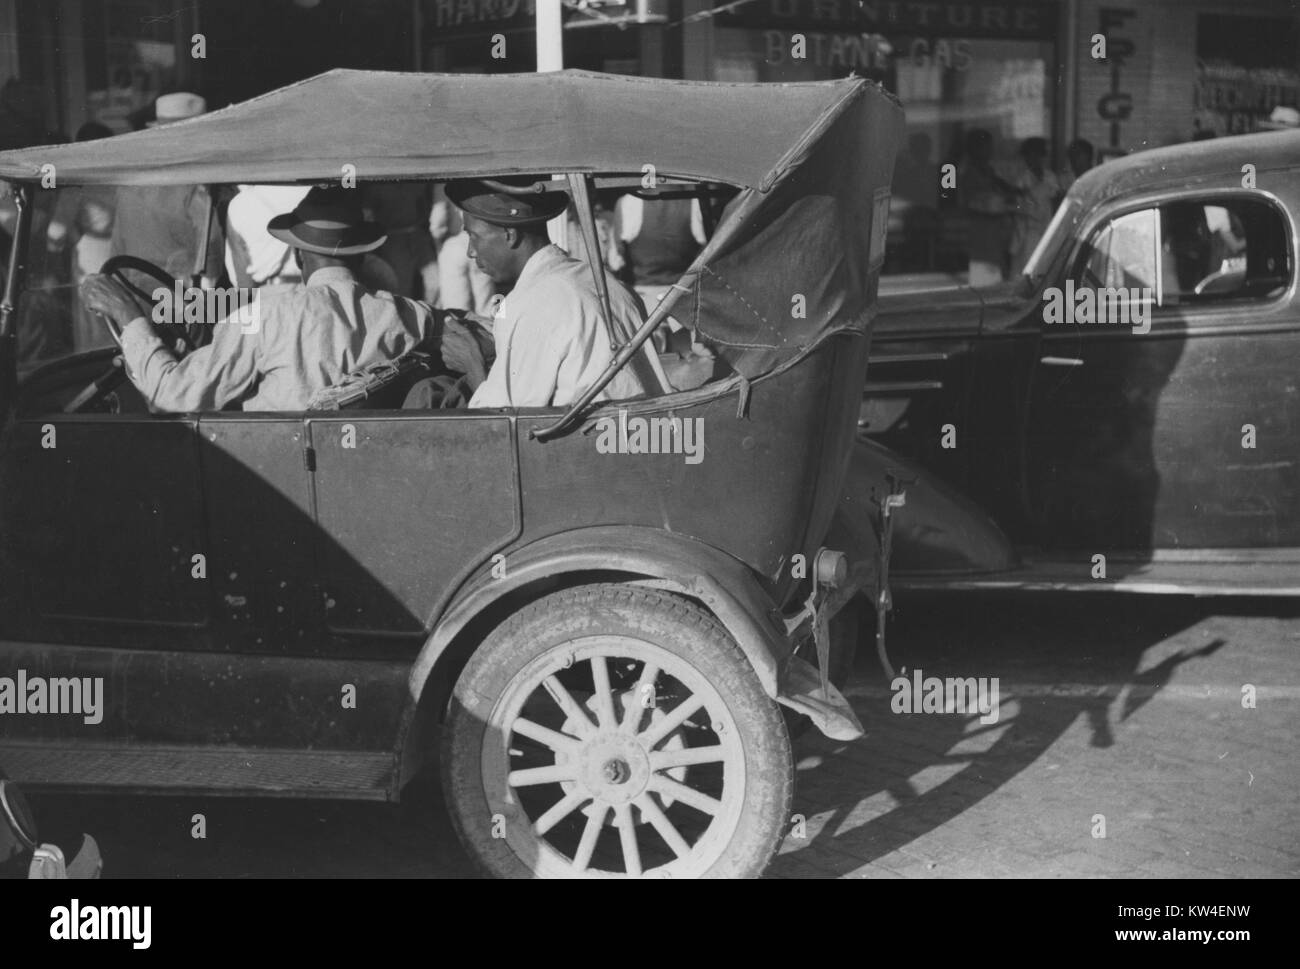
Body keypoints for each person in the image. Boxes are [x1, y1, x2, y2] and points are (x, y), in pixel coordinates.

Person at [78, 187, 453, 412]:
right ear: (361, 255)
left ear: (297, 255)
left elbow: (169, 395)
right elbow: (464, 324)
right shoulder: (404, 313)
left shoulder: (263, 315)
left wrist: (130, 318)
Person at [434, 177, 650, 409]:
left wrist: (471, 363)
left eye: (474, 236)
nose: (470, 252)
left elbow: (501, 421)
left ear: (509, 234)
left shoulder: (535, 302)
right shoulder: (604, 282)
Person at [110, 93, 224, 283]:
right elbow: (210, 243)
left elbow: (116, 246)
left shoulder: (129, 183)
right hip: (179, 294)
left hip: (136, 289)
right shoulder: (193, 183)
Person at [957, 128, 1016, 286]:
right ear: (976, 149)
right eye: (986, 146)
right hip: (981, 235)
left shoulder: (988, 171)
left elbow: (1005, 188)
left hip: (995, 235)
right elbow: (975, 203)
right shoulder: (969, 173)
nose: (991, 151)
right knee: (985, 281)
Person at [1009, 137, 1061, 276]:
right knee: (1027, 271)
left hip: (1047, 230)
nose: (1033, 158)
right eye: (1029, 155)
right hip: (1028, 233)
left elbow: (1055, 199)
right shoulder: (1021, 180)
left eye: (1037, 154)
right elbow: (1018, 207)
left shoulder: (1051, 178)